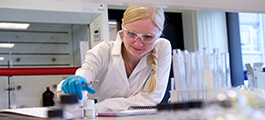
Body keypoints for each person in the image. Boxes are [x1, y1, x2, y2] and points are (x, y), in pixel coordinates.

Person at [57, 6, 172, 112]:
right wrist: (72, 90)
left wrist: (97, 108)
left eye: (148, 37)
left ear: (159, 33)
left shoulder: (162, 48)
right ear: (123, 26)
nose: (138, 43)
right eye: (132, 34)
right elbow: (85, 76)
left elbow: (150, 99)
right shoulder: (102, 51)